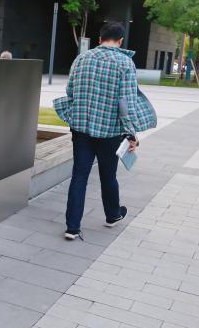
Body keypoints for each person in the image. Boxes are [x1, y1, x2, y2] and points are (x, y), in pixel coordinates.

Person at [53, 21, 156, 240]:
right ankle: (112, 215)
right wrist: (131, 134)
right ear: (120, 41)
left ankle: (72, 227)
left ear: (99, 39)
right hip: (109, 131)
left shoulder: (82, 58)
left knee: (79, 176)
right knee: (108, 175)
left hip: (80, 127)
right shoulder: (125, 63)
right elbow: (127, 102)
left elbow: (70, 90)